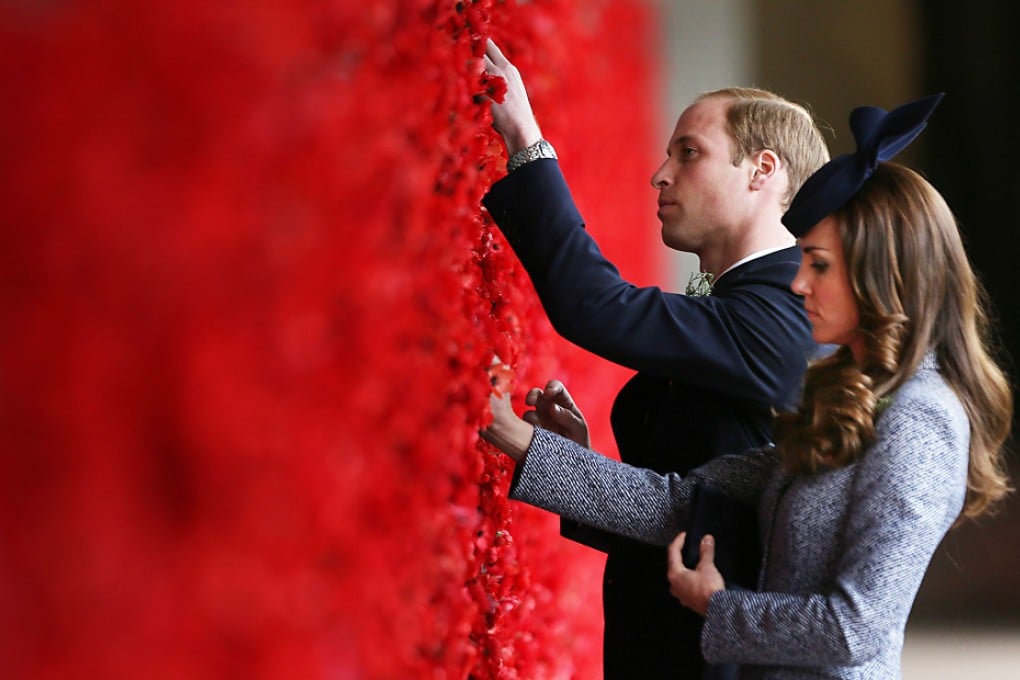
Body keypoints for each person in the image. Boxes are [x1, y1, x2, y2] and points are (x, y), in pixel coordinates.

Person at [481, 94, 1013, 678]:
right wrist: (537, 451)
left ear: (880, 271)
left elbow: (855, 627)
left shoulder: (921, 418)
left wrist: (718, 608)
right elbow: (684, 503)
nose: (800, 283)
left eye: (818, 264)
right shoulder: (848, 395)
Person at [481, 40, 830, 678]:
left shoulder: (782, 309)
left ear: (762, 170)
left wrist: (526, 139)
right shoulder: (761, 300)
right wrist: (576, 461)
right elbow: (695, 507)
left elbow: (597, 307)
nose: (659, 174)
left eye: (688, 153)